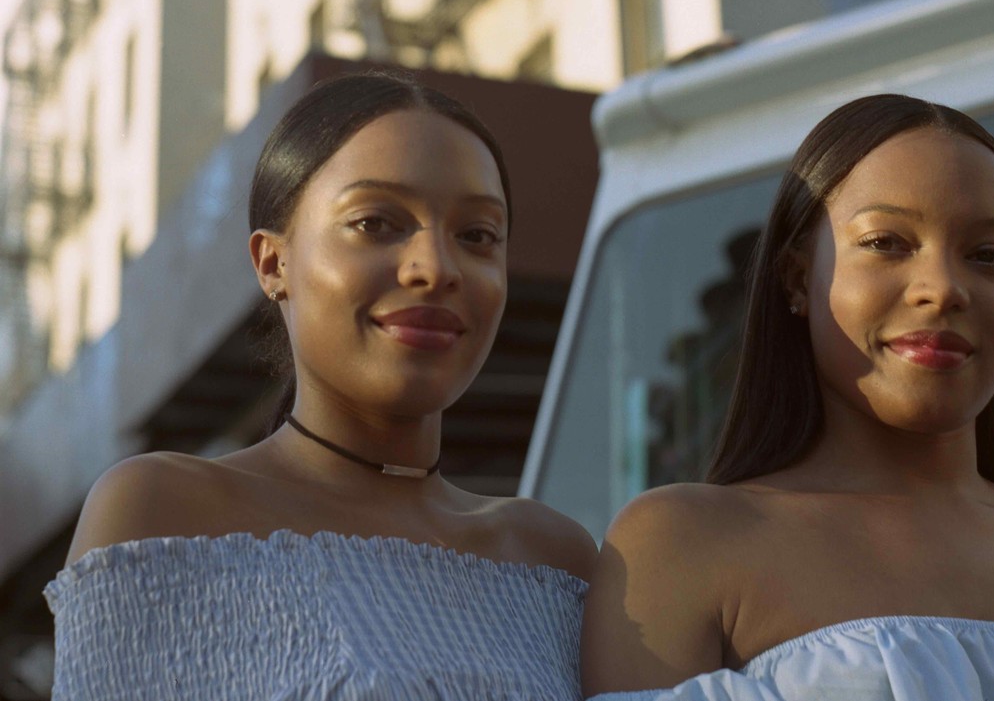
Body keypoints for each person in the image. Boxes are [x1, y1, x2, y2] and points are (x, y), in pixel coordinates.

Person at [581, 94, 994, 701]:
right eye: (887, 242)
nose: (943, 288)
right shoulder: (681, 545)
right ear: (796, 278)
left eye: (989, 256)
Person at [47, 71, 596, 700]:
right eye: (375, 223)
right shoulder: (161, 513)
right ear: (273, 263)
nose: (436, 269)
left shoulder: (558, 562)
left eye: (477, 236)